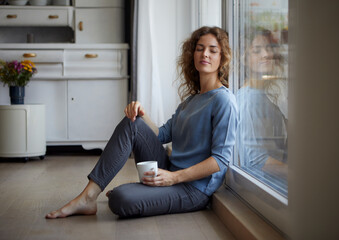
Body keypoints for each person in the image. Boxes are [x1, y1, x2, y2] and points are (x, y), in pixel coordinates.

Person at [45, 26, 238, 219]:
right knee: (133, 122)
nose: (205, 54)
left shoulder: (224, 100)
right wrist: (141, 112)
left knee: (119, 199)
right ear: (192, 54)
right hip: (169, 171)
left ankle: (132, 192)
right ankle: (88, 196)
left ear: (222, 58)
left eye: (213, 50)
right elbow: (161, 135)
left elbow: (220, 160)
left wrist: (174, 178)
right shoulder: (190, 101)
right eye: (199, 48)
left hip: (194, 189)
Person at [236, 28, 288, 183]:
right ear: (244, 59)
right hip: (266, 185)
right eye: (257, 50)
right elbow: (258, 160)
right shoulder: (249, 99)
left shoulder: (261, 95)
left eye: (268, 48)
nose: (266, 54)